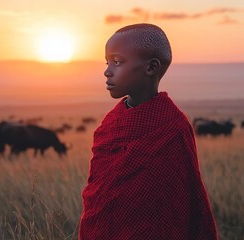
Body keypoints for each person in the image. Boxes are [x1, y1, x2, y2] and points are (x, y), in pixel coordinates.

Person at [79, 23, 218, 239]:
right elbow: (98, 197)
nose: (107, 71)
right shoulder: (109, 124)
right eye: (107, 62)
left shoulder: (173, 127)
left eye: (117, 62)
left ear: (151, 67)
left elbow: (182, 199)